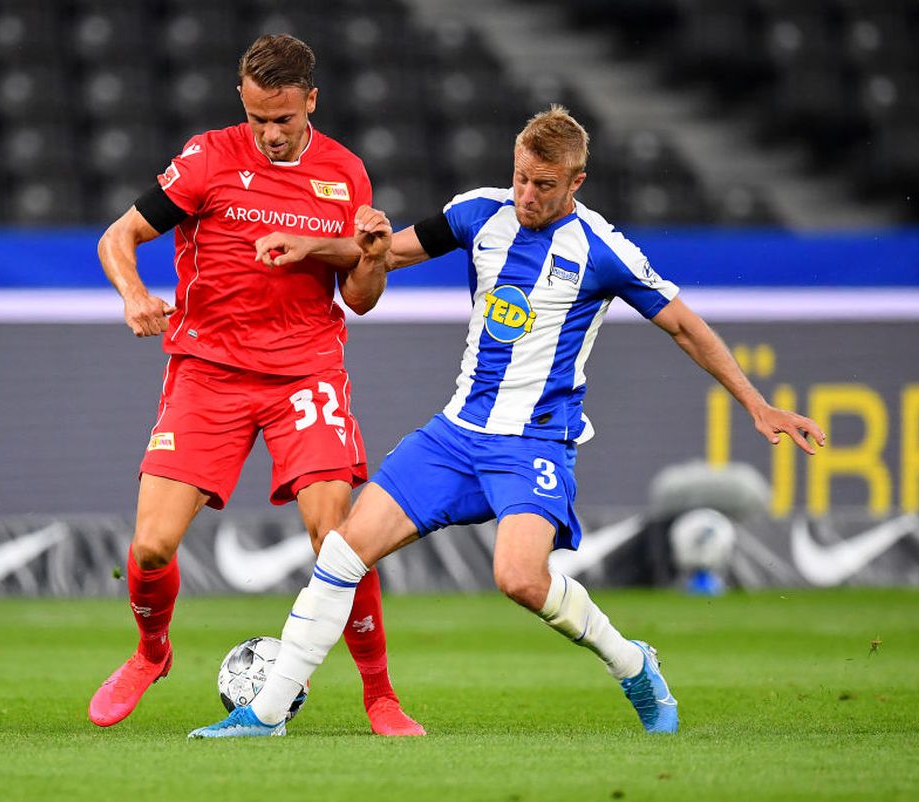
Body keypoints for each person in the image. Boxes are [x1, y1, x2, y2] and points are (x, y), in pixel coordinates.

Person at [188, 105, 827, 738]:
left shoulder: (601, 249)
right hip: (456, 435)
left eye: (543, 185)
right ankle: (267, 713)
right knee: (343, 551)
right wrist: (322, 247)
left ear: (575, 183)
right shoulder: (479, 212)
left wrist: (756, 403)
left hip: (534, 442)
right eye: (521, 177)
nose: (526, 194)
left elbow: (684, 325)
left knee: (519, 578)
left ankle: (633, 664)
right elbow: (386, 251)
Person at [88, 34, 424, 737]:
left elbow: (360, 297)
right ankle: (152, 653)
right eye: (257, 118)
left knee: (336, 536)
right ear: (241, 100)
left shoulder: (344, 174)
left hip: (305, 370)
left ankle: (380, 695)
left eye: (284, 120)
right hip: (208, 370)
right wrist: (132, 294)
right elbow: (118, 237)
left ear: (311, 101)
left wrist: (369, 254)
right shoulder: (207, 158)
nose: (270, 134)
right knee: (151, 545)